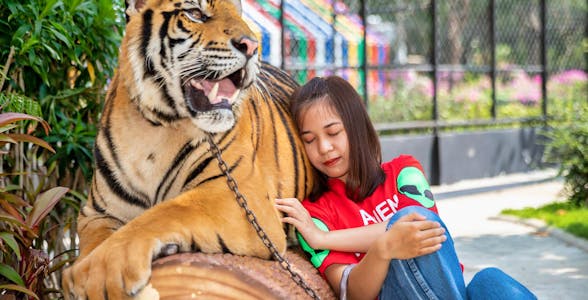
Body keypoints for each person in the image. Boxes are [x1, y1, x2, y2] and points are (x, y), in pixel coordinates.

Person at [275, 76, 536, 300]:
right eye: (310, 140)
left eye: (333, 133)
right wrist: (382, 249)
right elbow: (353, 294)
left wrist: (326, 239)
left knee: (492, 283)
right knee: (403, 223)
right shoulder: (316, 214)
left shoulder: (404, 172)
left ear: (356, 127)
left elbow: (422, 225)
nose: (324, 148)